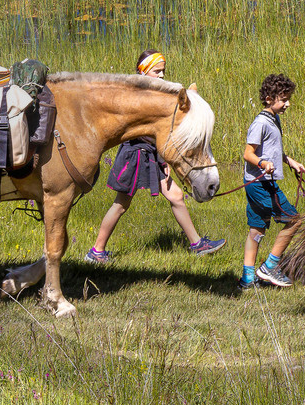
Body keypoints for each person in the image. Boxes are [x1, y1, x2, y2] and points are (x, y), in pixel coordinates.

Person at [86, 50, 226, 262]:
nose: (161, 75)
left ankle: (197, 244)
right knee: (121, 204)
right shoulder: (137, 98)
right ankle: (96, 251)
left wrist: (164, 158)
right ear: (143, 72)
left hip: (151, 154)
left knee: (176, 196)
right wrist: (164, 158)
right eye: (156, 71)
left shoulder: (154, 96)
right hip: (134, 154)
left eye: (163, 71)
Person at [240, 73, 305, 291]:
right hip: (260, 183)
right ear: (269, 98)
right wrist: (262, 163)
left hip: (260, 182)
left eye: (288, 99)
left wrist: (290, 161)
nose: (288, 104)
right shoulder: (260, 122)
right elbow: (248, 154)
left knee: (257, 228)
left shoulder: (273, 119)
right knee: (294, 220)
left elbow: (272, 149)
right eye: (283, 99)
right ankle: (270, 266)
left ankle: (247, 278)